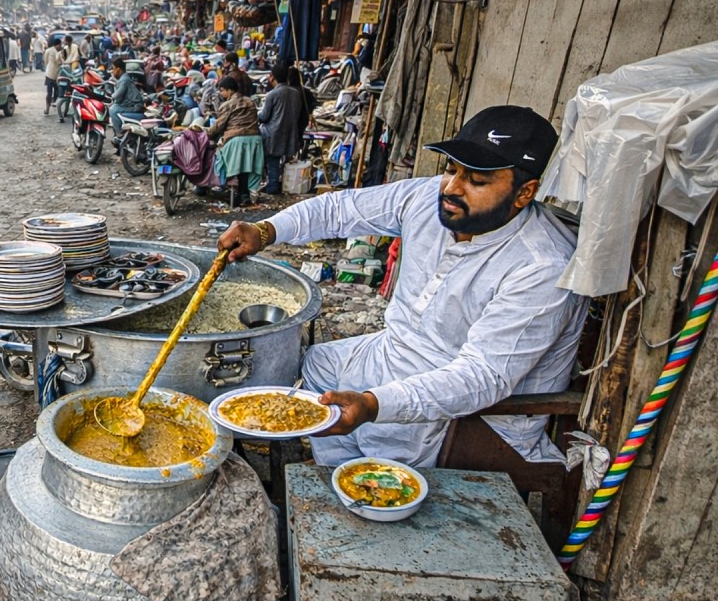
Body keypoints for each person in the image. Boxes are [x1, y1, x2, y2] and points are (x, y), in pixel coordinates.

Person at [218, 105, 586, 468]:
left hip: (470, 404)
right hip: (395, 350)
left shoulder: (541, 265)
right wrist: (265, 230)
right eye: (451, 169)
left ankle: (361, 482)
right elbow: (340, 209)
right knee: (317, 366)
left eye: (476, 181)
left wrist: (373, 404)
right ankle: (335, 476)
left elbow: (482, 376)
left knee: (383, 431)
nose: (452, 188)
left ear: (524, 193)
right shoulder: (427, 198)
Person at [205, 76, 263, 206]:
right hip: (255, 140)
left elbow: (218, 126)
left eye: (222, 90)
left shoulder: (227, 105)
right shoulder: (250, 101)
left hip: (236, 140)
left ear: (229, 90)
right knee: (246, 167)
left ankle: (226, 187)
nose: (221, 93)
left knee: (219, 157)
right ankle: (244, 194)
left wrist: (205, 134)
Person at [257, 64, 305, 195]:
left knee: (272, 162)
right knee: (282, 162)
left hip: (273, 133)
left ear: (272, 77)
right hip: (290, 132)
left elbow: (264, 117)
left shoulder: (272, 94)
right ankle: (279, 183)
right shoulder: (296, 93)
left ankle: (272, 186)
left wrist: (256, 115)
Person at [108, 57, 143, 140]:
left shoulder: (124, 80)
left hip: (134, 106)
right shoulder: (124, 78)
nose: (112, 71)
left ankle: (119, 133)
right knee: (114, 106)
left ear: (118, 69)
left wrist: (111, 97)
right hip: (128, 104)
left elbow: (118, 95)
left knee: (112, 110)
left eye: (113, 68)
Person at [42, 37, 64, 116]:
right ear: (58, 45)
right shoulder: (59, 52)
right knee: (56, 91)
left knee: (49, 92)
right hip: (55, 74)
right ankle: (53, 103)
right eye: (60, 45)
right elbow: (59, 62)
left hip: (49, 73)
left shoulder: (48, 50)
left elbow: (45, 61)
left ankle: (47, 108)